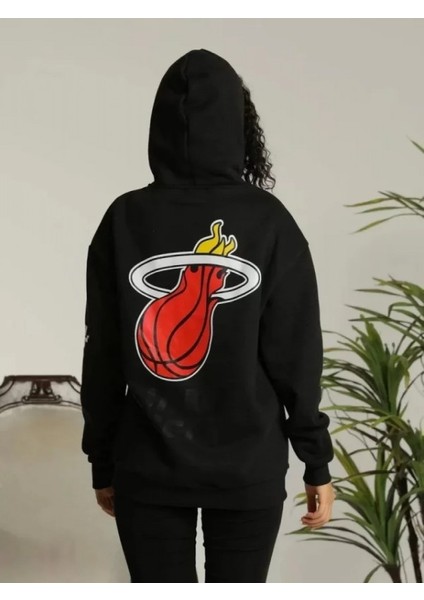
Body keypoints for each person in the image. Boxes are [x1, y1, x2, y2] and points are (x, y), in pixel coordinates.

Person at [80, 48, 336, 583]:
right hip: (248, 467)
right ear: (238, 126)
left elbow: (102, 353)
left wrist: (102, 458)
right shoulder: (269, 221)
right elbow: (296, 355)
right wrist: (316, 461)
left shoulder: (124, 218)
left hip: (146, 468)